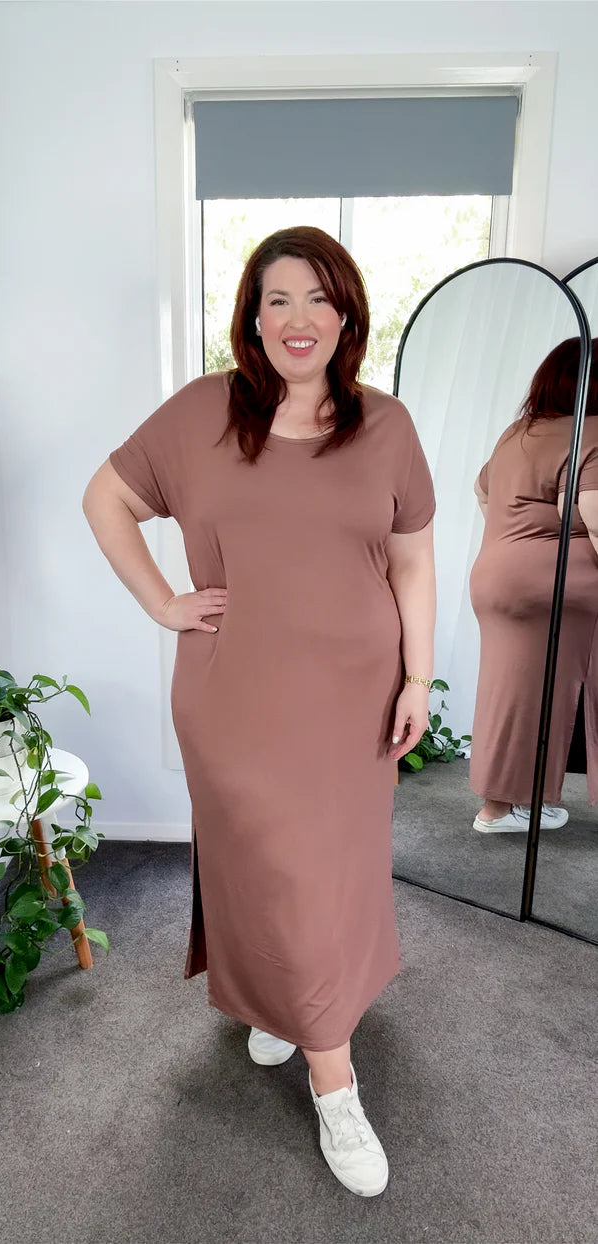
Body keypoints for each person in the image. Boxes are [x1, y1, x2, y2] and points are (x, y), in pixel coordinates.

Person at [82, 226, 436, 1197]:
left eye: (319, 298)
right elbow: (104, 497)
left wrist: (418, 676)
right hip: (236, 698)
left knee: (331, 872)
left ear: (347, 314)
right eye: (277, 298)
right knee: (274, 865)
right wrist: (162, 600)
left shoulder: (387, 427)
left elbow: (411, 558)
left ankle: (290, 1000)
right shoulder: (200, 413)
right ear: (250, 314)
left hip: (356, 700)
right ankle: (336, 1078)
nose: (299, 318)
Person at [469, 337, 598, 834]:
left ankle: (499, 807)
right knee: (541, 692)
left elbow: (483, 492)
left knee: (511, 691)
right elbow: (587, 514)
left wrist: (519, 536)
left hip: (496, 578)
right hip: (554, 588)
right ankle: (507, 807)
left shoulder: (518, 432)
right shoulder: (591, 434)